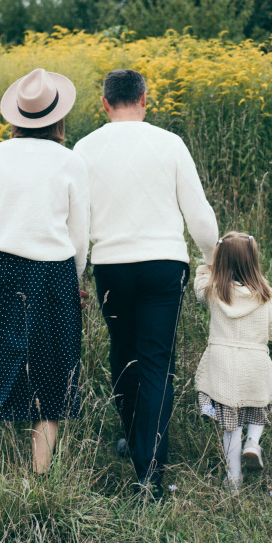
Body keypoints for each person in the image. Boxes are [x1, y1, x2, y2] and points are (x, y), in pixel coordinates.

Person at [74, 68, 218, 499]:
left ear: (104, 104)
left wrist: (76, 272)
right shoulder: (169, 143)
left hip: (112, 267)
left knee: (123, 353)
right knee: (156, 362)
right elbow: (200, 216)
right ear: (144, 98)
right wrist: (213, 260)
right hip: (163, 266)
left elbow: (78, 227)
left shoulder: (85, 148)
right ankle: (149, 471)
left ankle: (136, 442)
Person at [0, 67, 90, 474]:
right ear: (59, 117)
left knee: (10, 356)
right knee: (54, 367)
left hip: (3, 266)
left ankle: (4, 460)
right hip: (55, 271)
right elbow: (79, 236)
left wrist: (8, 235)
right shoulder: (70, 161)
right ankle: (39, 472)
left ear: (17, 116)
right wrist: (75, 279)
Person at [194, 231, 272, 494]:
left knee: (230, 426)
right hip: (254, 366)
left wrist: (208, 266)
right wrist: (265, 289)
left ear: (220, 261)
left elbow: (199, 287)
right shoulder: (264, 295)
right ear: (253, 262)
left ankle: (233, 479)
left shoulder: (213, 291)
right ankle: (253, 443)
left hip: (222, 368)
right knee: (258, 408)